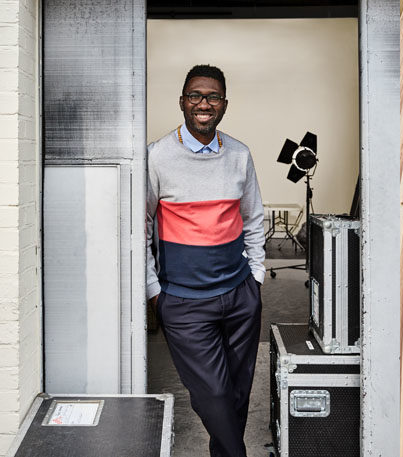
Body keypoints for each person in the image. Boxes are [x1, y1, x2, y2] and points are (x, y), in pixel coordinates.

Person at [146, 64, 266, 457]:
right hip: (184, 302)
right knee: (212, 394)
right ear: (182, 102)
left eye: (212, 97)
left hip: (239, 295)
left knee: (237, 391)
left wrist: (257, 277)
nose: (204, 103)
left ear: (224, 105)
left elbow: (252, 217)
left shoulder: (239, 155)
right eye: (196, 95)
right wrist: (154, 292)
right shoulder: (158, 157)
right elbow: (139, 227)